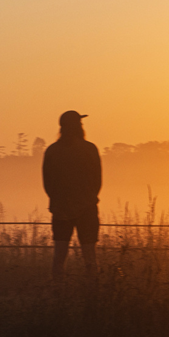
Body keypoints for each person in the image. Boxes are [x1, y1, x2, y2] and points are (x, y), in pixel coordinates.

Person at [43, 110, 102, 282]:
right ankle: (92, 292)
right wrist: (87, 199)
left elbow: (48, 183)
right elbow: (97, 180)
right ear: (78, 127)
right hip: (87, 210)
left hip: (61, 210)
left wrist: (59, 201)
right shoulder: (89, 149)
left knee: (59, 256)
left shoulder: (53, 151)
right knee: (90, 256)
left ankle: (58, 292)